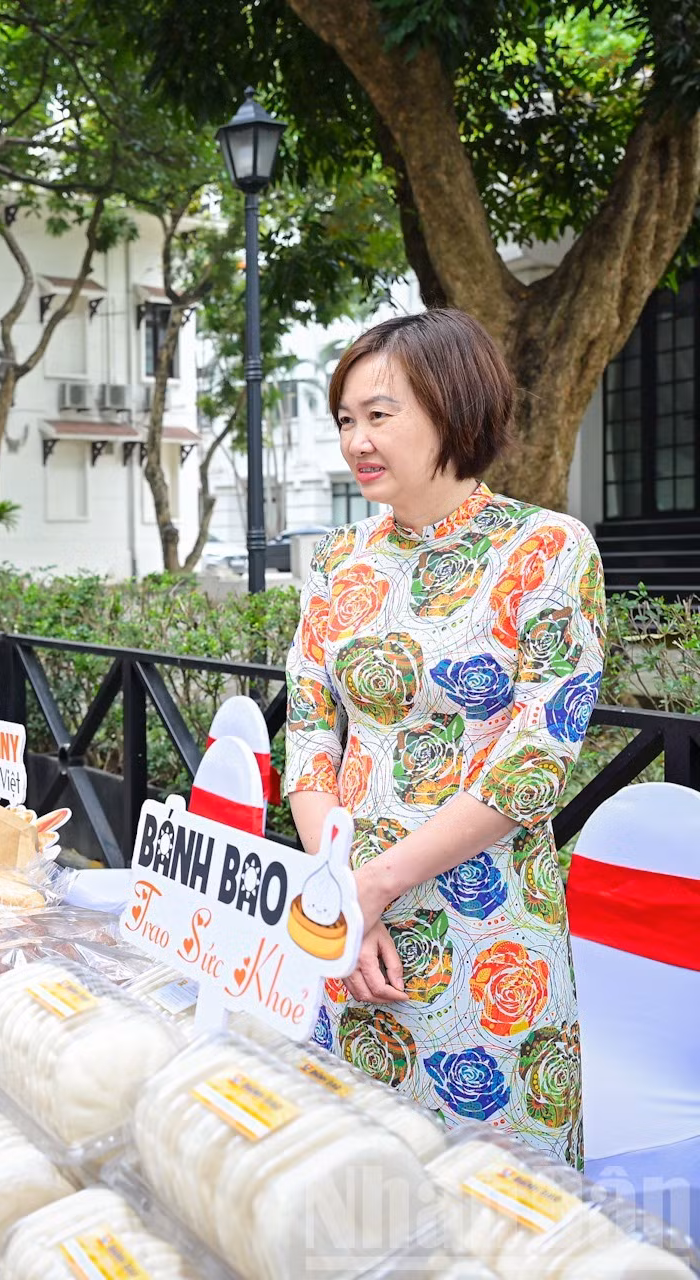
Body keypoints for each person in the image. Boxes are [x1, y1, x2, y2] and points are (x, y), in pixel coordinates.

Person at [285, 309, 606, 1164]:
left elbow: (537, 760)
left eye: (380, 414)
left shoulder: (547, 550)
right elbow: (311, 739)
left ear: (453, 406)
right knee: (359, 1183)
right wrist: (340, 893)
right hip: (352, 927)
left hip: (488, 926)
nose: (358, 439)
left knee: (501, 1201)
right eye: (346, 419)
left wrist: (376, 885)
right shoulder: (337, 560)